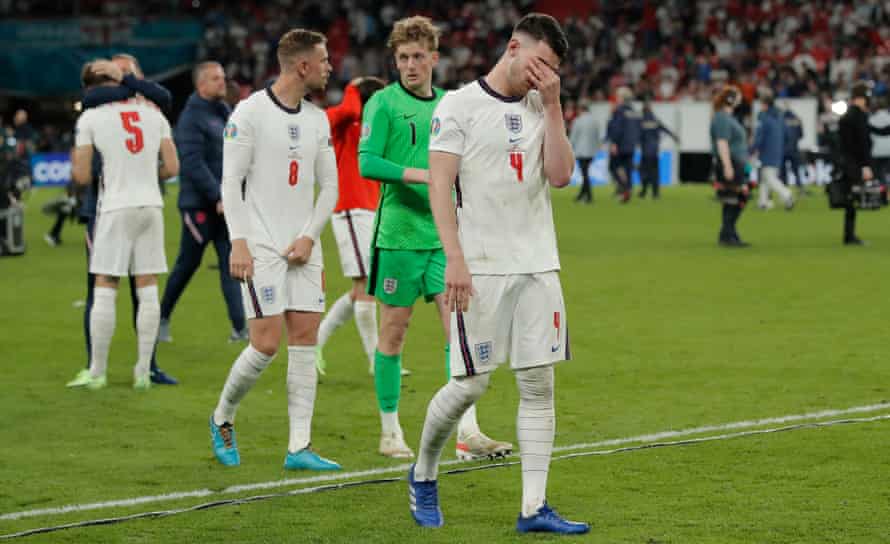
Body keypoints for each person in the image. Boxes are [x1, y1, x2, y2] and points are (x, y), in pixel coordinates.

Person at [409, 13, 589, 535]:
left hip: (538, 263)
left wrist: (553, 105)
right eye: (541, 64)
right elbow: (439, 186)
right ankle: (423, 474)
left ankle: (534, 508)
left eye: (554, 70)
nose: (546, 76)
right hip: (481, 268)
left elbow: (559, 176)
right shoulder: (458, 106)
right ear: (514, 47)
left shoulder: (542, 104)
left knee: (539, 383)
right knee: (470, 384)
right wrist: (455, 259)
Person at [358, 15, 512, 461]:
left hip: (446, 240)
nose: (409, 65)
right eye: (402, 57)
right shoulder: (383, 104)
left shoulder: (450, 103)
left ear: (434, 59)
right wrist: (423, 175)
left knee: (459, 332)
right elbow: (367, 162)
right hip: (399, 238)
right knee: (394, 331)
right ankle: (390, 433)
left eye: (417, 56)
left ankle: (467, 433)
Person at [208, 29, 341, 471]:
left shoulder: (318, 119)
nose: (329, 67)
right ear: (302, 65)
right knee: (265, 344)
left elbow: (330, 187)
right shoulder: (249, 113)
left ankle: (299, 448)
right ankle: (222, 416)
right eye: (323, 60)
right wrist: (239, 241)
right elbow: (231, 181)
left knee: (305, 341)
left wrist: (309, 235)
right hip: (261, 244)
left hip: (304, 245)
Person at [66, 57, 179, 388]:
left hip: (115, 206)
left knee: (105, 284)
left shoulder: (92, 117)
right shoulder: (153, 113)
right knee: (147, 287)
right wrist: (146, 174)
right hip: (151, 206)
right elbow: (172, 168)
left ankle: (98, 371)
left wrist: (81, 172)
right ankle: (143, 372)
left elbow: (83, 175)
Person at [157, 61, 247, 344]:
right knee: (187, 264)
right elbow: (192, 164)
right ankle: (161, 317)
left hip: (223, 205)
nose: (223, 82)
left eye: (223, 76)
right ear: (201, 85)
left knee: (230, 263)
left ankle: (240, 328)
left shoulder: (223, 113)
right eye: (216, 78)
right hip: (199, 206)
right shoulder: (191, 118)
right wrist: (217, 195)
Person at [315, 76, 389, 376]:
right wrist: (352, 88)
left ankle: (315, 342)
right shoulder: (343, 123)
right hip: (350, 210)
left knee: (363, 287)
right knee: (367, 285)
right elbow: (346, 111)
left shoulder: (373, 129)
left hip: (368, 210)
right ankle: (376, 361)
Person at [837, 81, 890, 245]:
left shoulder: (849, 115)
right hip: (855, 163)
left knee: (851, 199)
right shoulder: (857, 116)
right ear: (861, 98)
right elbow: (861, 143)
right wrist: (865, 165)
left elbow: (871, 132)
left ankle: (849, 234)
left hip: (847, 162)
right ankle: (849, 235)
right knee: (852, 199)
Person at [711, 85, 750, 247]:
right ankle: (728, 234)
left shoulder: (728, 118)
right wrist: (727, 166)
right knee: (734, 198)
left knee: (734, 198)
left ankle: (728, 233)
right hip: (731, 162)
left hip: (737, 162)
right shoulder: (721, 118)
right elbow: (722, 143)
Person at [752, 88, 794, 211]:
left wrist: (752, 149)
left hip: (767, 152)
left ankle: (787, 195)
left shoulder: (764, 118)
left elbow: (759, 137)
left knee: (769, 177)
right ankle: (763, 203)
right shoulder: (780, 116)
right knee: (765, 178)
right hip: (778, 151)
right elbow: (787, 134)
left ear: (764, 104)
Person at [606, 86, 641, 203]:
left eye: (618, 96)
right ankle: (628, 189)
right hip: (631, 145)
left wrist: (614, 143)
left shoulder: (619, 111)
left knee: (613, 167)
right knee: (628, 168)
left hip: (620, 145)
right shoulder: (634, 111)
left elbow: (617, 128)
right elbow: (637, 129)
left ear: (621, 98)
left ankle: (624, 188)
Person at [638, 98, 677, 199]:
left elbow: (636, 134)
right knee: (655, 172)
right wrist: (675, 137)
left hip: (645, 151)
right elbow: (665, 129)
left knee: (644, 172)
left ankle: (643, 191)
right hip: (655, 151)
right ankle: (655, 193)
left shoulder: (641, 121)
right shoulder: (655, 120)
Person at [568, 99, 599, 204]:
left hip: (581, 151)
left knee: (585, 174)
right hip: (591, 151)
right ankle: (581, 195)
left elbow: (573, 137)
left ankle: (589, 197)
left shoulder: (578, 120)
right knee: (585, 172)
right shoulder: (594, 121)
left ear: (580, 109)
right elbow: (597, 137)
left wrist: (569, 149)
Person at [781, 104, 809, 196]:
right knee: (796, 170)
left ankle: (784, 191)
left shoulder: (780, 119)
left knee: (783, 171)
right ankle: (800, 189)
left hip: (783, 149)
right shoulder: (797, 119)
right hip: (794, 148)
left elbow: (778, 135)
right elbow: (801, 135)